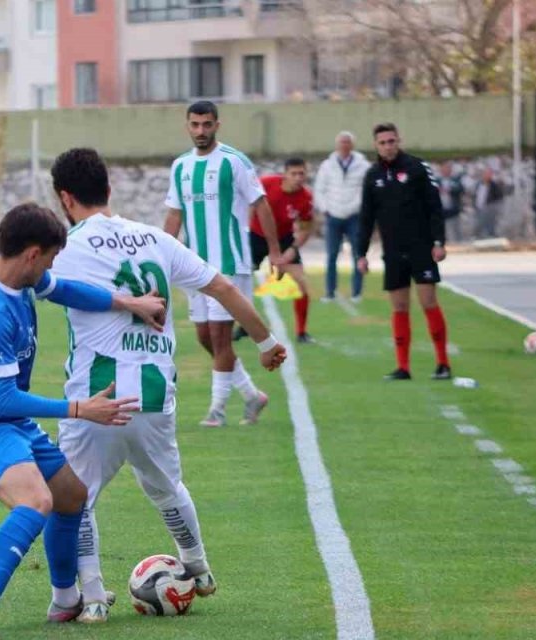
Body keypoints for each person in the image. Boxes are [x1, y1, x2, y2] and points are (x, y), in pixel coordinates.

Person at [46, 148, 286, 622]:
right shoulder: (154, 238)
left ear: (64, 198)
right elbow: (224, 288)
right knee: (166, 487)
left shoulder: (66, 247)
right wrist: (266, 341)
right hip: (155, 398)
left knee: (77, 498)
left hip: (98, 400)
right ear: (109, 189)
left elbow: (12, 283)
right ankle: (197, 564)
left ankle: (93, 597)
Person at [0, 203, 166, 640]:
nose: (54, 264)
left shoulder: (3, 273)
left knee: (71, 495)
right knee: (37, 502)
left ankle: (64, 599)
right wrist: (79, 409)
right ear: (33, 253)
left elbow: (68, 289)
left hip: (6, 420)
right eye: (52, 255)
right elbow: (5, 396)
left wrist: (128, 302)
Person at [163, 100, 283, 428]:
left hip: (229, 263)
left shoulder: (234, 162)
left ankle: (216, 410)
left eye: (206, 124)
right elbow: (174, 214)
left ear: (217, 125)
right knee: (205, 337)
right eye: (195, 124)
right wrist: (161, 257)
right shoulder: (181, 167)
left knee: (219, 337)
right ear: (187, 125)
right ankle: (252, 395)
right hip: (194, 267)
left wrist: (274, 250)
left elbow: (261, 205)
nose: (200, 131)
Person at [357, 123, 452, 381]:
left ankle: (443, 363)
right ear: (376, 145)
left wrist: (439, 242)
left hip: (421, 247)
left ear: (399, 141)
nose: (388, 146)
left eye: (391, 141)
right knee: (399, 307)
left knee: (428, 302)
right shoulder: (372, 175)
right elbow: (366, 217)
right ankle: (403, 367)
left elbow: (435, 206)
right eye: (382, 142)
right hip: (393, 251)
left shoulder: (417, 167)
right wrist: (361, 254)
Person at [252, 158, 316, 343]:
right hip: (256, 235)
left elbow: (305, 229)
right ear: (285, 174)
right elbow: (247, 204)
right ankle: (244, 326)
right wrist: (245, 229)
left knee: (300, 283)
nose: (298, 178)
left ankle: (302, 332)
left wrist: (290, 252)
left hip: (284, 238)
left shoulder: (306, 197)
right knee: (241, 281)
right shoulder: (266, 184)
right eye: (293, 173)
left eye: (301, 173)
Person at [313, 131, 369, 302]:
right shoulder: (327, 165)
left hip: (354, 215)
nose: (344, 145)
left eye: (347, 142)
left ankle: (357, 293)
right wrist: (325, 209)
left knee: (358, 254)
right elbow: (319, 189)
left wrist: (359, 207)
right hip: (333, 216)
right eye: (342, 142)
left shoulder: (363, 165)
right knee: (331, 255)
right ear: (337, 145)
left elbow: (367, 190)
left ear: (352, 145)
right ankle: (330, 292)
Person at [436, 161, 466, 243]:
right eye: (444, 168)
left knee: (456, 231)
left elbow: (461, 190)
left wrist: (449, 190)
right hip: (441, 211)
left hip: (453, 210)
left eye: (448, 168)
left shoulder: (456, 180)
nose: (446, 170)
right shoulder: (436, 181)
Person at [473, 167, 505, 239]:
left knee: (490, 225)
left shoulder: (494, 186)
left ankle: (491, 237)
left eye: (489, 174)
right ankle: (478, 238)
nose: (487, 175)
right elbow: (475, 196)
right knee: (478, 225)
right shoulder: (478, 184)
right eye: (485, 174)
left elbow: (499, 197)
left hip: (489, 210)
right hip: (478, 208)